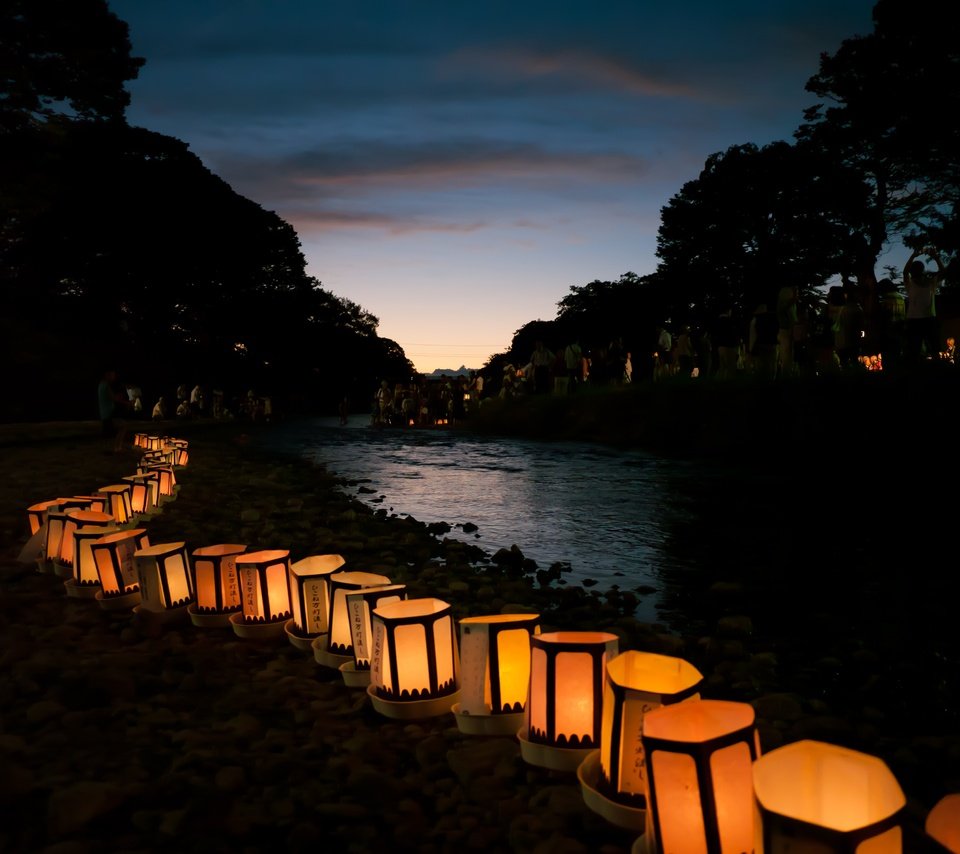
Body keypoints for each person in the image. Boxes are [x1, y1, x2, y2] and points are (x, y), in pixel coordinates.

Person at [903, 246, 944, 366]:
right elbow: (943, 272)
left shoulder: (929, 282)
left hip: (920, 319)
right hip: (923, 319)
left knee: (930, 347)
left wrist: (913, 256)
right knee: (921, 348)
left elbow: (943, 272)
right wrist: (935, 258)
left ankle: (935, 369)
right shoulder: (918, 283)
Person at [98, 368, 127, 453]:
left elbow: (110, 398)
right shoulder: (106, 385)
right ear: (107, 375)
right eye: (112, 375)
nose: (114, 377)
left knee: (117, 429)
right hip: (109, 413)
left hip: (104, 413)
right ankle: (117, 447)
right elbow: (114, 398)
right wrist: (127, 402)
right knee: (123, 426)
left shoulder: (101, 385)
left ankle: (115, 447)